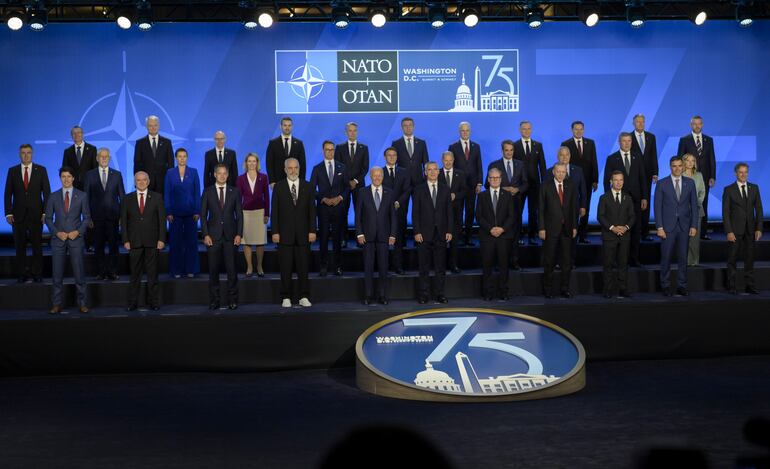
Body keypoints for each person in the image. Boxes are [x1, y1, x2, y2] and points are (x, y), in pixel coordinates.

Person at [271, 158, 316, 308]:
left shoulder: (308, 186)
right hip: (284, 235)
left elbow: (312, 211)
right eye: (290, 168)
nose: (293, 171)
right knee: (285, 268)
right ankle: (286, 297)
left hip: (304, 235)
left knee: (304, 268)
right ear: (285, 170)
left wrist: (312, 230)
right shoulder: (279, 187)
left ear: (299, 168)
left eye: (295, 168)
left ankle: (304, 296)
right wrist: (275, 232)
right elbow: (275, 212)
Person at [45, 167, 91, 314]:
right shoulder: (53, 196)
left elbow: (87, 218)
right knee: (57, 274)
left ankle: (82, 303)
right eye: (63, 176)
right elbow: (48, 218)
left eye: (69, 176)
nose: (66, 179)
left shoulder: (82, 196)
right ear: (60, 178)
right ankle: (56, 304)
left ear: (73, 178)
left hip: (75, 239)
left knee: (79, 273)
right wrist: (57, 233)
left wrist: (77, 232)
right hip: (58, 240)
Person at [4, 143, 50, 283]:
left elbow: (47, 193)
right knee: (20, 248)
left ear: (32, 154)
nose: (26, 155)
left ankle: (37, 274)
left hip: (37, 215)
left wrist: (45, 213)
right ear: (19, 154)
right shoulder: (12, 171)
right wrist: (8, 213)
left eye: (28, 152)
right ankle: (22, 274)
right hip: (18, 216)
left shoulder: (41, 170)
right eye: (23, 152)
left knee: (37, 247)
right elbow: (7, 193)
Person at [121, 171, 167, 311]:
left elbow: (161, 221)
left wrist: (161, 239)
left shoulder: (157, 197)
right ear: (135, 182)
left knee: (152, 274)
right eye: (138, 180)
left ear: (148, 181)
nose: (141, 182)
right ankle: (132, 303)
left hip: (152, 241)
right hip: (134, 242)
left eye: (143, 180)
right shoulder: (127, 199)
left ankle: (154, 302)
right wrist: (125, 239)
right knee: (135, 275)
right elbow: (123, 222)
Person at [654, 156, 699, 297]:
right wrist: (659, 227)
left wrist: (694, 225)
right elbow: (657, 207)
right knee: (666, 258)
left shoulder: (690, 183)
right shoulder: (662, 184)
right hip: (667, 227)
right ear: (670, 167)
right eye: (674, 166)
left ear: (684, 166)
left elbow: (695, 207)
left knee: (683, 258)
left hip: (684, 227)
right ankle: (665, 285)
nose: (678, 168)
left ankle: (682, 285)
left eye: (680, 165)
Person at [201, 164, 243, 310]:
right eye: (219, 173)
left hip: (231, 237)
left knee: (232, 271)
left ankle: (233, 300)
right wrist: (205, 234)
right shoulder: (207, 191)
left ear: (228, 175)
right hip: (213, 237)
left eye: (225, 173)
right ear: (214, 174)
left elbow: (239, 215)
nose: (222, 176)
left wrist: (239, 234)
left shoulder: (235, 192)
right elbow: (203, 215)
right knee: (213, 272)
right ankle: (215, 300)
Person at [603, 132, 648, 267]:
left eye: (629, 141)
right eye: (624, 141)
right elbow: (606, 181)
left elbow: (643, 178)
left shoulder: (637, 157)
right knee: (618, 230)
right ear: (619, 142)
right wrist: (608, 200)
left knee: (635, 230)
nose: (627, 143)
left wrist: (644, 197)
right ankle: (618, 261)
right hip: (618, 202)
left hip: (635, 200)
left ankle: (634, 259)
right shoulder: (612, 158)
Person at [412, 162, 453, 304]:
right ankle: (424, 295)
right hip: (423, 233)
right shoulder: (418, 189)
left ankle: (440, 294)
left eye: (435, 169)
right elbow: (415, 213)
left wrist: (449, 230)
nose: (433, 172)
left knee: (440, 267)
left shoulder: (445, 189)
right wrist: (416, 231)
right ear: (425, 172)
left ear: (439, 172)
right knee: (424, 267)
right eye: (429, 170)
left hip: (441, 233)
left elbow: (449, 211)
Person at [355, 167, 397, 305]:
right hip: (367, 236)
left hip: (384, 236)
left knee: (384, 267)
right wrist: (359, 233)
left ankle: (382, 296)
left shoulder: (389, 193)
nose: (377, 178)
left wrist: (392, 234)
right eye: (375, 175)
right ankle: (368, 296)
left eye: (380, 175)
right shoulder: (362, 192)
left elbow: (393, 216)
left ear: (383, 177)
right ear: (370, 177)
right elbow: (358, 216)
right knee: (368, 267)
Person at [486, 140, 528, 270]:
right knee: (500, 235)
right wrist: (502, 188)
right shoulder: (494, 165)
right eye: (506, 150)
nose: (509, 152)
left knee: (515, 235)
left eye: (511, 150)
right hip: (499, 206)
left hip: (516, 205)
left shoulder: (520, 164)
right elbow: (487, 184)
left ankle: (514, 262)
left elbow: (526, 183)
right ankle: (498, 263)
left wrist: (517, 190)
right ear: (502, 150)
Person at [84, 148, 125, 280]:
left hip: (113, 217)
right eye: (101, 156)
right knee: (99, 245)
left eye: (106, 157)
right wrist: (87, 217)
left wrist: (122, 217)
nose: (103, 159)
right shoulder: (89, 175)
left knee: (114, 245)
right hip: (96, 218)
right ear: (97, 158)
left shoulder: (117, 175)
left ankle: (112, 271)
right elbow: (86, 198)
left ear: (109, 158)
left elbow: (122, 197)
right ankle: (101, 271)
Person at [722, 163, 763, 295]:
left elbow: (759, 210)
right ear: (735, 173)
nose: (743, 174)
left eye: (745, 172)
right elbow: (725, 213)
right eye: (741, 172)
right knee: (732, 258)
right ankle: (731, 285)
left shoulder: (754, 188)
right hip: (735, 230)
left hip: (750, 230)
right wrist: (729, 231)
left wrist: (759, 228)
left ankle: (749, 286)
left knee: (749, 259)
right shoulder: (729, 189)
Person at [310, 141, 349, 276]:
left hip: (338, 208)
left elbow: (347, 187)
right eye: (327, 150)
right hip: (323, 209)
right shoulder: (317, 168)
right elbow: (312, 189)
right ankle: (323, 266)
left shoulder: (342, 167)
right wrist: (323, 199)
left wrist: (339, 198)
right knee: (324, 238)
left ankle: (338, 266)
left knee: (338, 239)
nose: (330, 152)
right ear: (323, 151)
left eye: (332, 149)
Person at [477, 168, 517, 301]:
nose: (494, 180)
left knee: (504, 265)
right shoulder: (482, 196)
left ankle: (503, 292)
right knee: (487, 266)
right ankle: (488, 293)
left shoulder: (508, 195)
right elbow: (479, 217)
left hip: (504, 236)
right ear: (488, 180)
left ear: (501, 179)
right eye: (492, 178)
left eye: (497, 178)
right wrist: (491, 229)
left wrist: (502, 229)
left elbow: (512, 216)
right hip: (487, 236)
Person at [539, 163, 578, 298]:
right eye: (558, 172)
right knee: (549, 261)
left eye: (563, 172)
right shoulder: (545, 186)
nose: (561, 174)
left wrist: (574, 226)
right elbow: (541, 209)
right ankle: (548, 290)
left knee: (566, 262)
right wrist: (542, 228)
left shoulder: (570, 185)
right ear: (553, 172)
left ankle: (564, 289)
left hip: (567, 229)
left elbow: (574, 208)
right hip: (550, 230)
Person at [677, 116, 716, 240]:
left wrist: (712, 176)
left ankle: (702, 232)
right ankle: (685, 229)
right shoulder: (684, 140)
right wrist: (679, 176)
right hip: (688, 176)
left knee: (703, 204)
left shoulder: (709, 140)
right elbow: (680, 158)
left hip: (704, 178)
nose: (697, 126)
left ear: (702, 124)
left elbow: (712, 159)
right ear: (691, 125)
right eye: (695, 124)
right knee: (685, 204)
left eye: (699, 124)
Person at [164, 148, 201, 278]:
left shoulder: (193, 172)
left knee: (191, 242)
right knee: (175, 243)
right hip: (175, 213)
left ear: (187, 158)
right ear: (176, 158)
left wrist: (197, 210)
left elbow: (197, 193)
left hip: (191, 213)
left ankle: (191, 269)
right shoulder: (169, 173)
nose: (182, 158)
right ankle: (176, 270)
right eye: (179, 156)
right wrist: (168, 211)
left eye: (184, 156)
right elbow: (167, 193)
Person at [598, 171, 635, 298]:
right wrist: (613, 228)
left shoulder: (628, 197)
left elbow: (632, 216)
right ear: (611, 182)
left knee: (623, 264)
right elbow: (600, 216)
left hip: (624, 236)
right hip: (609, 236)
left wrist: (625, 227)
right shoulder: (604, 197)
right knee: (608, 264)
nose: (619, 182)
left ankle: (623, 289)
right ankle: (607, 290)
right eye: (616, 180)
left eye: (621, 180)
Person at [561, 121, 598, 244]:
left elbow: (594, 162)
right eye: (576, 129)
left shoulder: (590, 143)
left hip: (587, 182)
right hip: (570, 181)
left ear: (584, 130)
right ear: (572, 130)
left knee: (584, 208)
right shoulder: (566, 144)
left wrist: (595, 180)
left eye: (581, 129)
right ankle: (570, 233)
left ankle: (583, 235)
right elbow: (562, 163)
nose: (578, 131)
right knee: (569, 208)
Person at [334, 122, 369, 246]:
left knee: (360, 212)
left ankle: (360, 239)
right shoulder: (339, 147)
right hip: (343, 185)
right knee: (343, 212)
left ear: (357, 132)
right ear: (346, 132)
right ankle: (343, 239)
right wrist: (347, 182)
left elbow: (365, 168)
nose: (352, 132)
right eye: (350, 130)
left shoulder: (364, 148)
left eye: (354, 130)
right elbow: (338, 167)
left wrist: (355, 181)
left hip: (359, 186)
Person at [448, 121, 483, 246]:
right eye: (463, 130)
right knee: (457, 212)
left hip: (473, 186)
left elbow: (479, 165)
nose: (465, 132)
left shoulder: (476, 147)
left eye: (467, 130)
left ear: (470, 131)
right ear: (459, 131)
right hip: (458, 187)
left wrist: (479, 183)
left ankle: (468, 238)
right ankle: (456, 238)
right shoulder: (453, 147)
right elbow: (449, 166)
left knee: (470, 212)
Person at [236, 153, 270, 277]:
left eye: (254, 161)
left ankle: (259, 265)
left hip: (260, 212)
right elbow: (238, 198)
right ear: (246, 163)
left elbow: (266, 196)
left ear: (257, 163)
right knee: (247, 242)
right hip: (245, 213)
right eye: (249, 161)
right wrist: (238, 215)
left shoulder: (263, 177)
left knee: (260, 241)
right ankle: (249, 266)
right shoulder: (240, 178)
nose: (251, 163)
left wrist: (267, 213)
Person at [513, 121, 546, 245]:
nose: (526, 131)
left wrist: (544, 182)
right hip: (520, 184)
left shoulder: (538, 145)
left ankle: (532, 235)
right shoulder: (515, 146)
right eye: (524, 129)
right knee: (518, 211)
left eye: (528, 129)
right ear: (520, 130)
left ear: (531, 130)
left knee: (533, 211)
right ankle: (519, 236)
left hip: (535, 184)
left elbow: (542, 166)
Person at [382, 147, 411, 274]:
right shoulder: (380, 172)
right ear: (385, 157)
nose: (392, 157)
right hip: (383, 212)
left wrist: (398, 202)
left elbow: (407, 190)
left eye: (394, 155)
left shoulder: (404, 172)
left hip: (399, 211)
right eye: (389, 155)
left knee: (398, 240)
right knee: (383, 241)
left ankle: (398, 266)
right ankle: (384, 267)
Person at [630, 114, 658, 241]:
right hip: (633, 176)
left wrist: (655, 172)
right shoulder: (628, 137)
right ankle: (632, 231)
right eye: (638, 122)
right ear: (633, 123)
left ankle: (645, 233)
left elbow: (653, 156)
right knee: (633, 204)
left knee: (645, 203)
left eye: (642, 122)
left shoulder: (651, 137)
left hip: (647, 175)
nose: (640, 124)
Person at [439, 151, 467, 273]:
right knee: (440, 242)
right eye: (446, 160)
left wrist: (456, 195)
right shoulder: (436, 173)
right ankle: (441, 266)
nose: (448, 162)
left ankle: (453, 264)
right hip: (440, 215)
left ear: (453, 160)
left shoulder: (460, 174)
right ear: (442, 160)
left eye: (450, 160)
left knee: (454, 242)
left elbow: (465, 191)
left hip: (456, 213)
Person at [133, 115, 174, 194]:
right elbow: (137, 164)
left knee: (162, 205)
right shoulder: (140, 143)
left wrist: (170, 181)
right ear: (146, 127)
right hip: (146, 183)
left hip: (163, 182)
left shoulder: (167, 143)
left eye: (155, 125)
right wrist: (137, 182)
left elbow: (171, 164)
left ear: (158, 126)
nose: (153, 127)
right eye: (150, 125)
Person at [266, 116, 306, 187]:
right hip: (278, 182)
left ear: (292, 127)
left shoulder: (299, 144)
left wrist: (302, 181)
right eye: (285, 125)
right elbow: (269, 164)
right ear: (280, 126)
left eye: (289, 125)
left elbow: (302, 164)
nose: (287, 128)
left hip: (295, 181)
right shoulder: (273, 143)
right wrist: (271, 181)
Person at [392, 117, 429, 191]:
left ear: (414, 127)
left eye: (410, 125)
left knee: (419, 202)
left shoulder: (422, 143)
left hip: (418, 180)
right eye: (405, 126)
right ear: (402, 128)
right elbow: (393, 163)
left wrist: (426, 178)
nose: (408, 128)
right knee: (402, 202)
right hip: (402, 180)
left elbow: (426, 162)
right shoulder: (396, 144)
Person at [682, 154, 706, 266]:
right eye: (688, 160)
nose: (690, 163)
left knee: (695, 239)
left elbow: (702, 192)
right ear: (684, 162)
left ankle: (694, 261)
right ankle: (685, 260)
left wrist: (696, 203)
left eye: (693, 160)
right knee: (684, 237)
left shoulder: (699, 175)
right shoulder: (679, 175)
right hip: (683, 211)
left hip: (697, 209)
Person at [61, 125, 97, 191]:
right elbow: (65, 170)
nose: (76, 135)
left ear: (82, 134)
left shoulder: (92, 149)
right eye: (74, 133)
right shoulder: (68, 151)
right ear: (71, 136)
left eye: (78, 132)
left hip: (89, 185)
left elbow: (95, 168)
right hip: (73, 186)